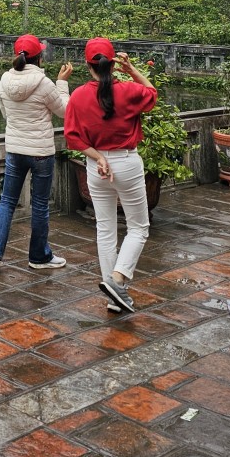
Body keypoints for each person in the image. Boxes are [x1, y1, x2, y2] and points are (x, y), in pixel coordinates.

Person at [64, 38, 157, 314]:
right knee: (138, 228)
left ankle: (113, 293)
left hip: (97, 166)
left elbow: (72, 137)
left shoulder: (79, 96)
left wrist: (98, 157)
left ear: (87, 64)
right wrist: (131, 71)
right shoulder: (128, 91)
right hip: (127, 163)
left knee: (105, 230)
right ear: (113, 62)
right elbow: (152, 93)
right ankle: (118, 281)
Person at [0, 35, 72, 271]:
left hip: (14, 149)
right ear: (39, 57)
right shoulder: (45, 83)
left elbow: (5, 112)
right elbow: (65, 111)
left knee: (7, 201)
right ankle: (39, 257)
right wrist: (62, 83)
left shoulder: (4, 79)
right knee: (40, 204)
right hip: (40, 151)